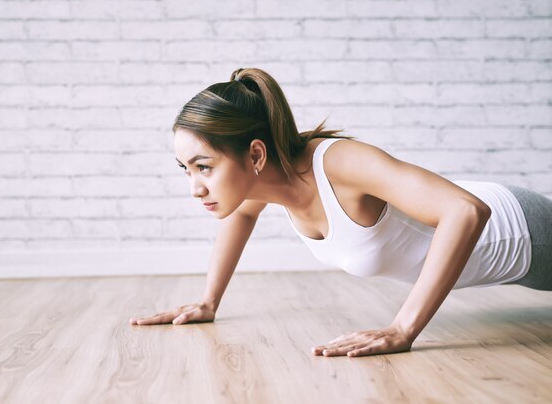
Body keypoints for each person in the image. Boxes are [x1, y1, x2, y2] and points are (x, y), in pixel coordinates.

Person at [130, 67, 552, 358]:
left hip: (522, 233)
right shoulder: (261, 181)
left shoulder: (339, 164)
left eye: (204, 167)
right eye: (186, 169)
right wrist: (208, 301)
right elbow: (241, 216)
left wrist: (402, 328)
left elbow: (465, 209)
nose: (195, 187)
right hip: (509, 248)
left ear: (254, 154)